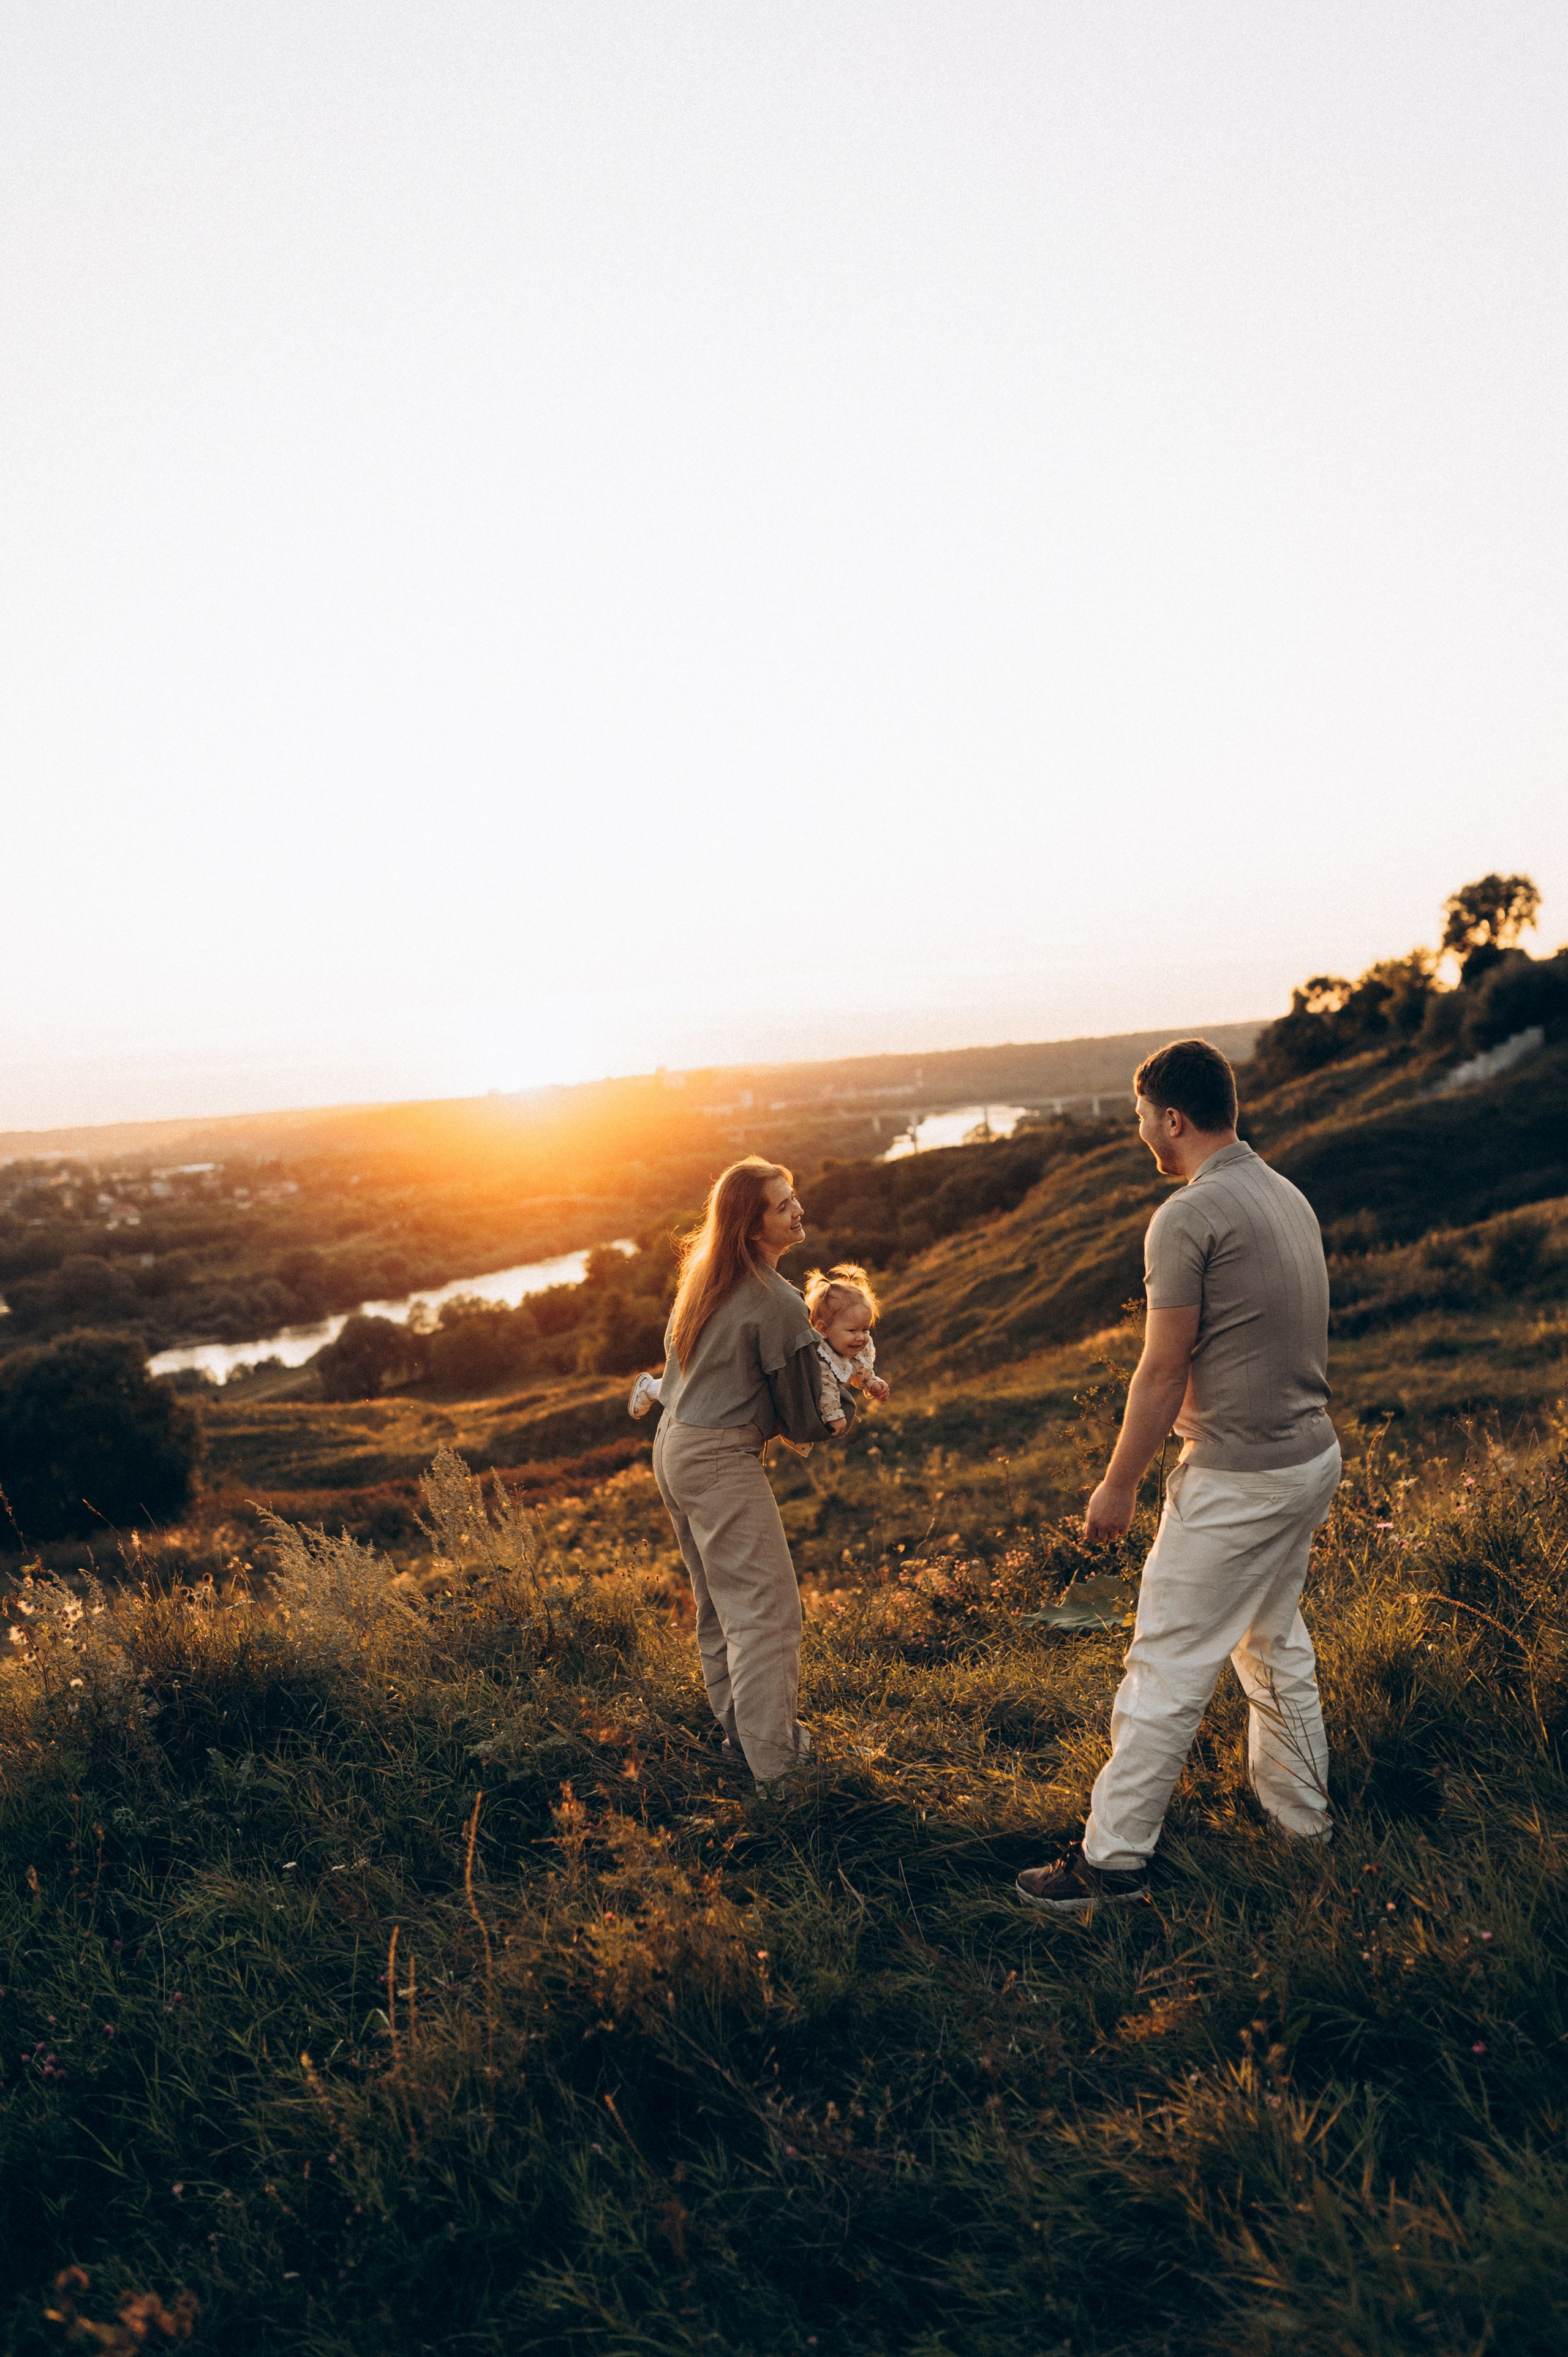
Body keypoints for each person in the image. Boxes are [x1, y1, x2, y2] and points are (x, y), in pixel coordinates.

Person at [1016, 1038, 1341, 1915]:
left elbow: (1163, 1368)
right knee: (1275, 1644)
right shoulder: (1286, 1194)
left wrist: (1117, 1484)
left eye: (1139, 1119)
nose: (1138, 1134)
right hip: (1308, 1455)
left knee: (1166, 1662)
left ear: (1172, 1118)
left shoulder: (1187, 1215)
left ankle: (1112, 1865)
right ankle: (1302, 1823)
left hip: (1239, 1476)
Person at [640, 1158, 853, 1788]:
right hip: (716, 1458)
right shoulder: (780, 1303)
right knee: (769, 1612)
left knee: (719, 1602)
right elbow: (804, 1422)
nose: (798, 1210)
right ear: (753, 1225)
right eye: (783, 1205)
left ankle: (742, 1737)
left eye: (795, 1198)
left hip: (673, 1444)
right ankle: (781, 1775)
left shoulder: (704, 1276)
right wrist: (845, 1387)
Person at [803, 1262, 891, 1436]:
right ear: (823, 1330)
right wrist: (834, 1415)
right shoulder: (819, 1356)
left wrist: (871, 1383)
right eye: (852, 1331)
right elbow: (823, 1387)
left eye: (865, 1330)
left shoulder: (844, 1346)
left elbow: (858, 1367)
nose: (861, 1337)